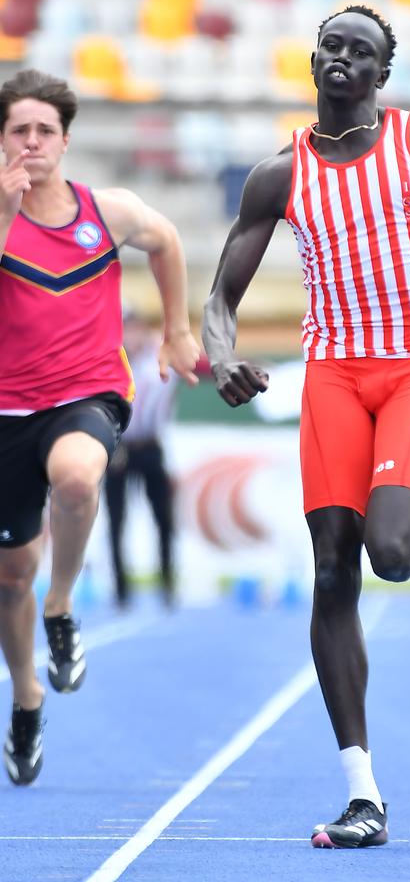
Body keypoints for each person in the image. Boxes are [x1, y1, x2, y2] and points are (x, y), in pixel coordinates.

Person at [202, 5, 410, 848]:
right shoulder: (278, 175)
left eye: (362, 51)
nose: (343, 58)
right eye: (332, 45)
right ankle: (362, 792)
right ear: (314, 63)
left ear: (382, 74)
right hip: (334, 373)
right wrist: (218, 353)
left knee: (387, 552)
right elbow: (220, 297)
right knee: (333, 572)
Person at [0, 68, 200, 786]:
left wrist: (177, 329)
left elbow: (166, 238)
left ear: (65, 140)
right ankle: (25, 694)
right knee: (9, 574)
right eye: (18, 130)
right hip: (6, 412)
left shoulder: (103, 211)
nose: (31, 142)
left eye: (43, 130)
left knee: (79, 477)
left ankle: (64, 604)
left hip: (87, 394)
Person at [103, 307, 178, 608]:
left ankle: (167, 581)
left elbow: (199, 364)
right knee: (117, 519)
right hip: (119, 447)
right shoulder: (108, 362)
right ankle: (120, 588)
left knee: (163, 517)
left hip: (149, 446)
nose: (132, 335)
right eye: (126, 329)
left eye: (135, 328)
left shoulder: (161, 358)